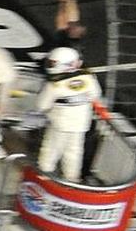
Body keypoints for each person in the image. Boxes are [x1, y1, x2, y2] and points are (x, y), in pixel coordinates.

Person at [35, 46, 102, 182]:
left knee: (51, 150)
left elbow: (42, 105)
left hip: (60, 125)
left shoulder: (55, 84)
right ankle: (72, 179)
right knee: (74, 152)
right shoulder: (88, 78)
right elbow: (96, 95)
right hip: (81, 124)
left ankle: (44, 175)